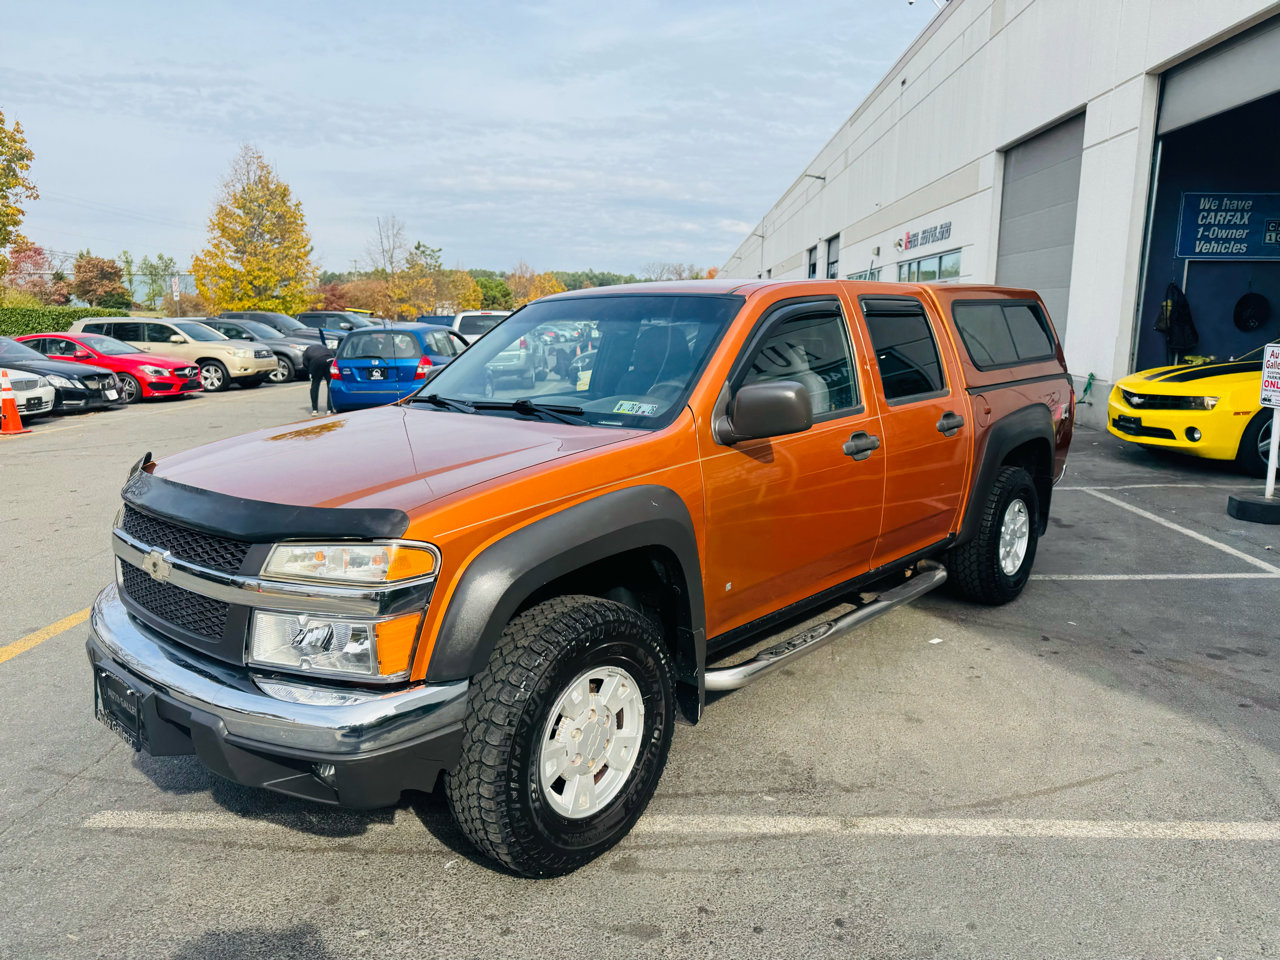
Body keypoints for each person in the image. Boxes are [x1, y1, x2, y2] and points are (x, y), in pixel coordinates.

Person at [303, 335, 336, 415]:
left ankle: (315, 410)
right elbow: (333, 355)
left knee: (315, 384)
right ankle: (329, 409)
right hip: (329, 360)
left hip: (316, 362)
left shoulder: (307, 351)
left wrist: (311, 372)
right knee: (329, 385)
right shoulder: (324, 347)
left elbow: (305, 364)